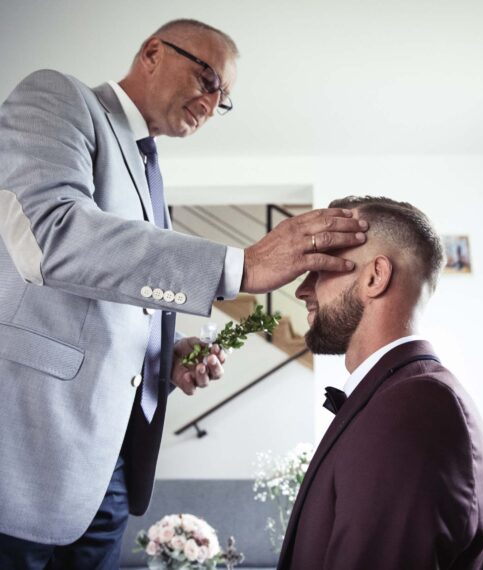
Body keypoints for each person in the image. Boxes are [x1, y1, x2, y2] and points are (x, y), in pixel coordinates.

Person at [0, 19, 369, 568]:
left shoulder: (152, 176)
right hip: (29, 458)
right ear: (153, 53)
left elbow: (106, 306)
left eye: (223, 98)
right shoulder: (59, 97)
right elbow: (50, 237)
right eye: (208, 79)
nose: (212, 102)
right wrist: (243, 265)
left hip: (111, 473)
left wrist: (161, 360)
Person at [277, 196, 483, 570]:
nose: (302, 289)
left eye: (320, 267)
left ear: (375, 277)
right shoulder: (404, 395)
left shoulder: (414, 408)